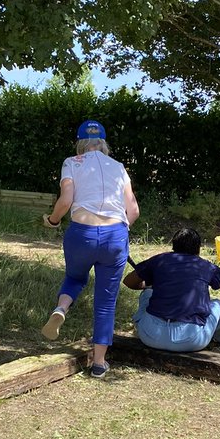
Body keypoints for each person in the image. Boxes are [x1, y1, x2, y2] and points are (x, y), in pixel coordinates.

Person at [41, 120, 139, 379]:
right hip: (115, 236)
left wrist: (52, 221)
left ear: (80, 143)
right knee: (106, 302)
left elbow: (66, 200)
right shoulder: (119, 168)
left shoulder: (72, 163)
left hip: (81, 234)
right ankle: (98, 363)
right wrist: (119, 232)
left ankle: (61, 308)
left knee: (75, 277)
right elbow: (134, 211)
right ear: (104, 143)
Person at [122, 229, 220, 351]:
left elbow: (128, 281)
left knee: (147, 294)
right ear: (198, 248)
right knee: (217, 305)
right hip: (191, 340)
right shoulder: (206, 266)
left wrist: (147, 286)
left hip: (150, 336)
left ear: (174, 246)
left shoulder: (158, 260)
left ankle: (139, 321)